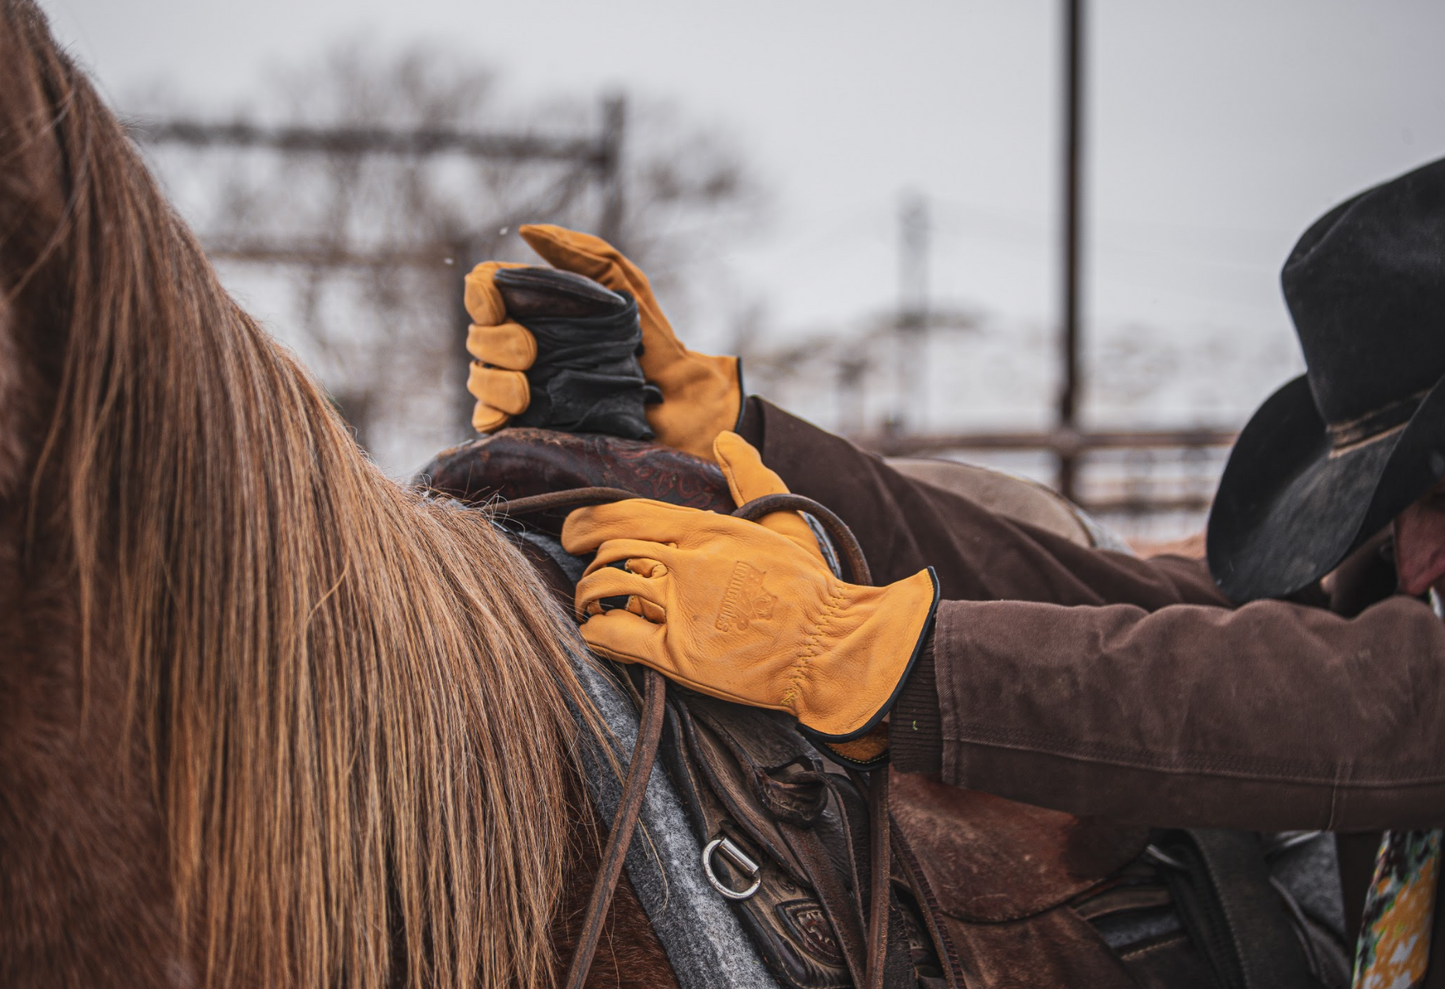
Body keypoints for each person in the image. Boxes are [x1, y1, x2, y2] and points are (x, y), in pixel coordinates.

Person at [465, 157, 1445, 987]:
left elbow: (1375, 695)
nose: (1409, 559)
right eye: (1397, 507)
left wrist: (890, 662)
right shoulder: (1393, 588)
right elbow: (1158, 618)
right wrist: (745, 443)